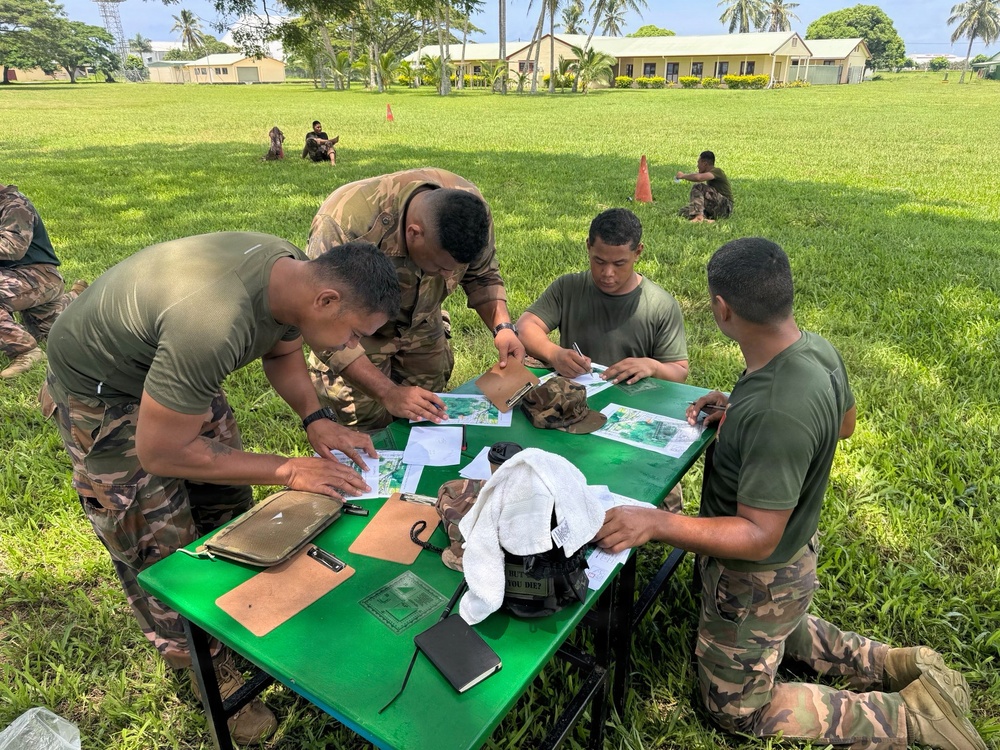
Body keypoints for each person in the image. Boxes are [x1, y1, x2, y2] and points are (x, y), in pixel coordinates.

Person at [595, 238, 984, 750]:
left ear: (722, 309)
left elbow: (758, 535)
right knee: (780, 628)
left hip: (757, 576)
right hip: (795, 560)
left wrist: (656, 522)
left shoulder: (775, 409)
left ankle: (911, 716)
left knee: (735, 711)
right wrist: (740, 413)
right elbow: (843, 424)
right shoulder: (815, 349)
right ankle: (894, 663)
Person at [43, 233, 401, 745]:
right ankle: (200, 661)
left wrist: (315, 418)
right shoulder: (211, 324)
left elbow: (282, 351)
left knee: (230, 513)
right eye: (354, 333)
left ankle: (234, 618)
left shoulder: (293, 278)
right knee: (158, 542)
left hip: (170, 367)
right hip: (105, 394)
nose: (353, 345)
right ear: (327, 301)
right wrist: (288, 470)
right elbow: (160, 452)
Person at [306, 168, 525, 431]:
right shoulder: (345, 223)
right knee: (364, 427)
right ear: (414, 233)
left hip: (422, 323)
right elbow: (322, 324)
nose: (448, 275)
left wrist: (503, 328)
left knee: (426, 416)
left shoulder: (471, 212)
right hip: (354, 334)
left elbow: (482, 276)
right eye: (440, 266)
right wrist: (388, 392)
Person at [517, 208, 688, 387]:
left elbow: (679, 371)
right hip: (576, 395)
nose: (607, 273)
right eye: (599, 261)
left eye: (619, 263)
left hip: (632, 398)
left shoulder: (660, 305)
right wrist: (554, 354)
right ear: (588, 247)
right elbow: (524, 327)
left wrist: (652, 366)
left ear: (637, 252)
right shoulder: (568, 288)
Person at [0, 184, 86, 378]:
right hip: (16, 280)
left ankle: (26, 352)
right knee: (47, 330)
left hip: (39, 276)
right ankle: (75, 298)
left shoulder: (15, 205)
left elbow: (13, 247)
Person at [676, 150, 733, 223]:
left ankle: (698, 217)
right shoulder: (711, 173)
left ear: (705, 164)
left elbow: (698, 178)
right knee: (684, 211)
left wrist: (682, 176)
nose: (697, 166)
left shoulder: (717, 171)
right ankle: (707, 219)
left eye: (698, 163)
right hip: (716, 206)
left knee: (698, 186)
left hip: (725, 206)